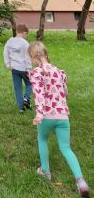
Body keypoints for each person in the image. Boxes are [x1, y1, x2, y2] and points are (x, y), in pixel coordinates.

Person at [28, 41, 91, 198]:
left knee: (42, 139)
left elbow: (39, 94)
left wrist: (39, 114)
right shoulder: (60, 72)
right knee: (66, 148)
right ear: (46, 54)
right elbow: (65, 92)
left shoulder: (36, 73)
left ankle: (45, 171)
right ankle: (81, 181)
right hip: (63, 116)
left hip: (46, 116)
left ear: (33, 57)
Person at [3, 23, 32, 112]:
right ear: (24, 33)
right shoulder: (25, 43)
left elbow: (5, 53)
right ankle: (26, 98)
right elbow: (27, 57)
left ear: (16, 31)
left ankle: (21, 108)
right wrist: (29, 69)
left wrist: (8, 65)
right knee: (30, 84)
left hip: (14, 69)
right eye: (27, 34)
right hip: (24, 69)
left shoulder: (10, 41)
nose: (26, 36)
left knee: (18, 88)